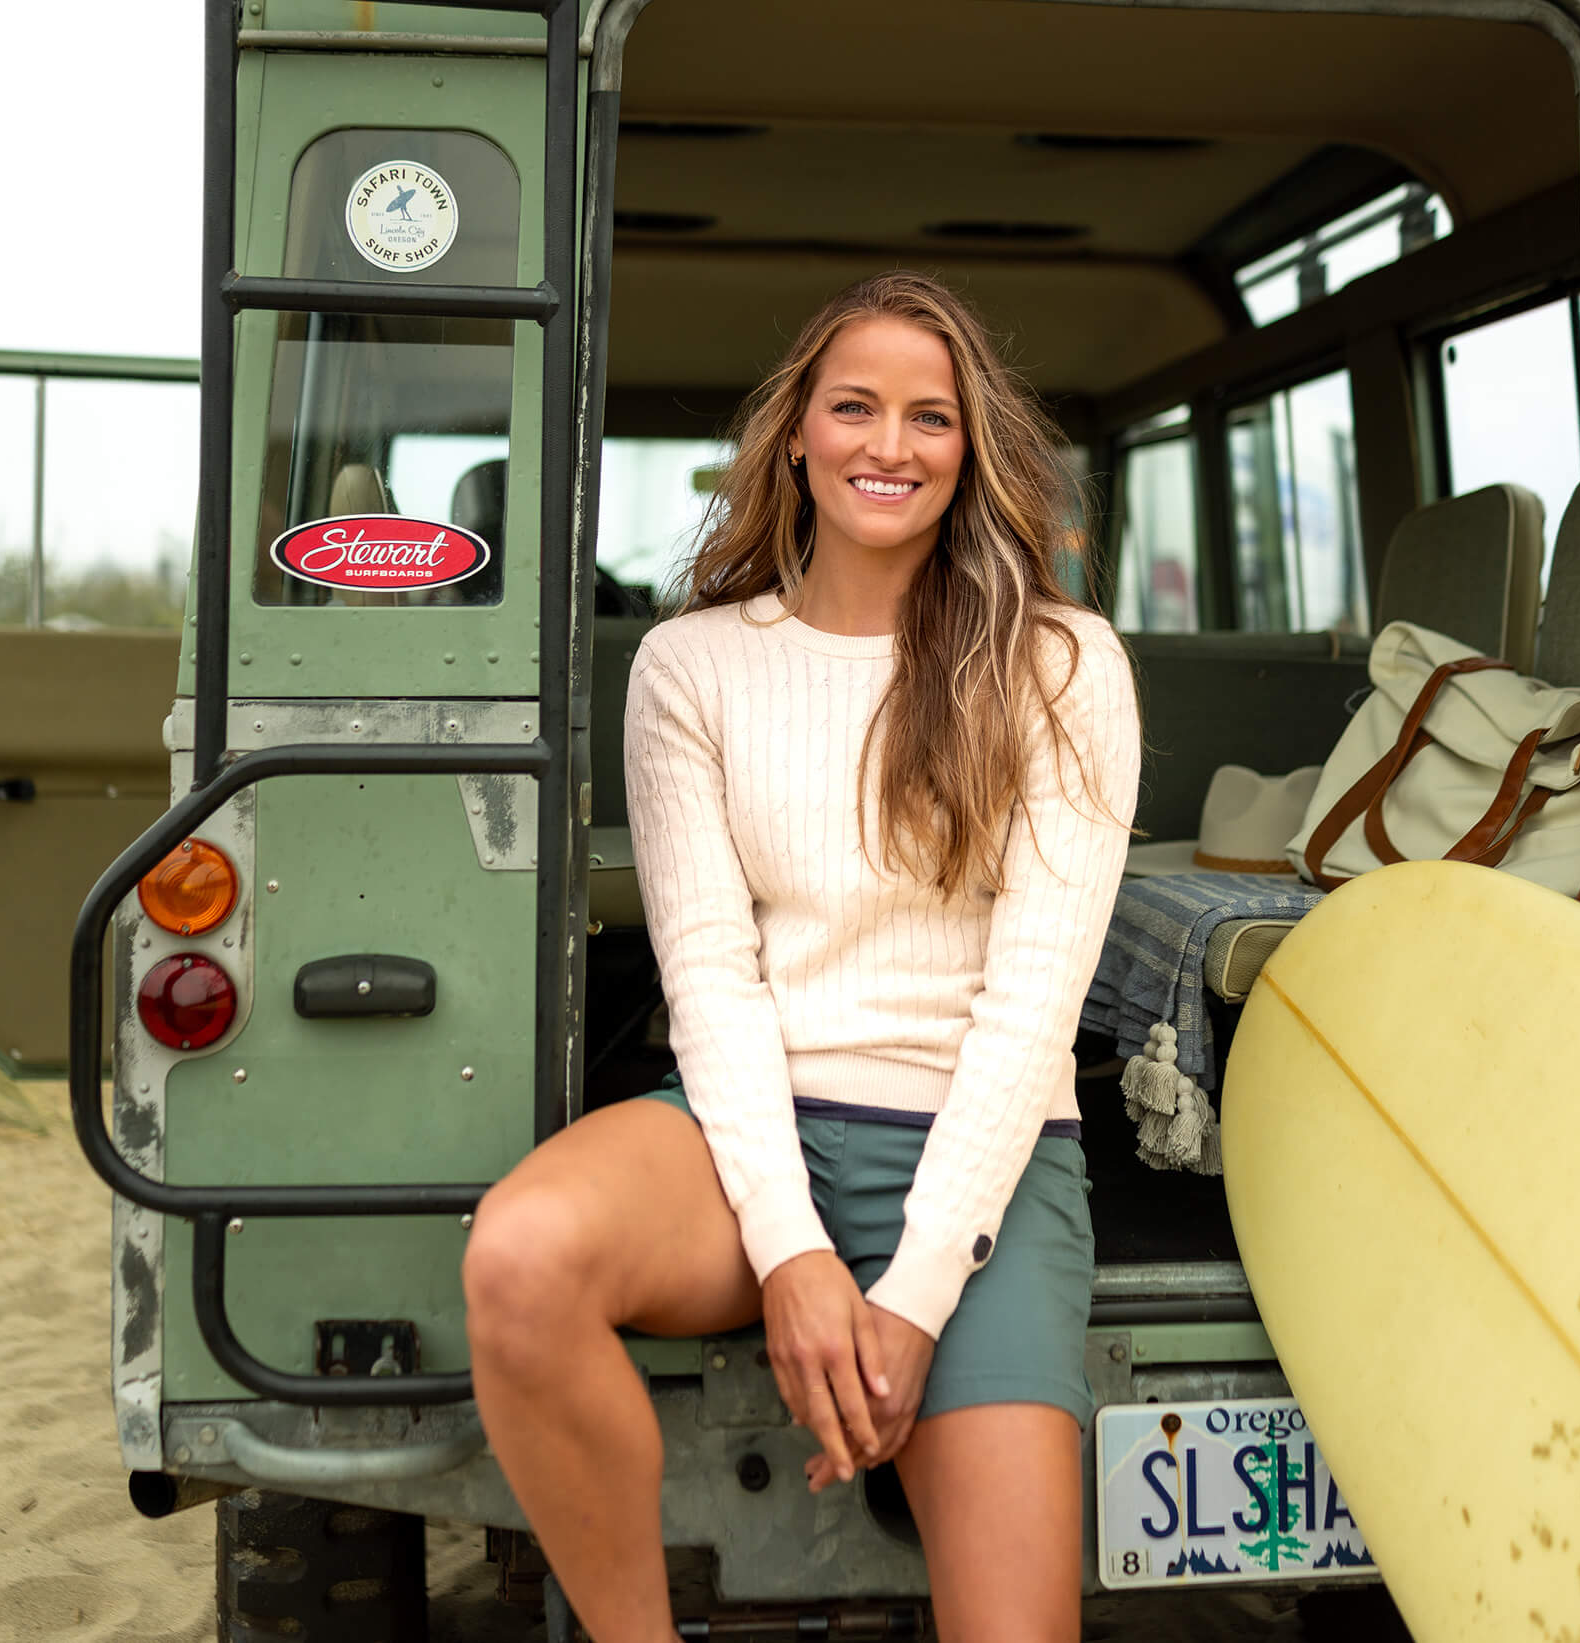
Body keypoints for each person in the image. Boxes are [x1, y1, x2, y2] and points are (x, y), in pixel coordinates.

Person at [461, 272, 1141, 1643]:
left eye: (930, 418)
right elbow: (709, 978)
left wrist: (912, 1293)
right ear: (795, 439)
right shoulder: (692, 667)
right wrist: (792, 1256)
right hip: (748, 1134)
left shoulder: (1061, 665)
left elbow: (1030, 1013)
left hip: (985, 1163)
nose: (890, 444)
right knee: (520, 1256)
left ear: (971, 454)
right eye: (855, 407)